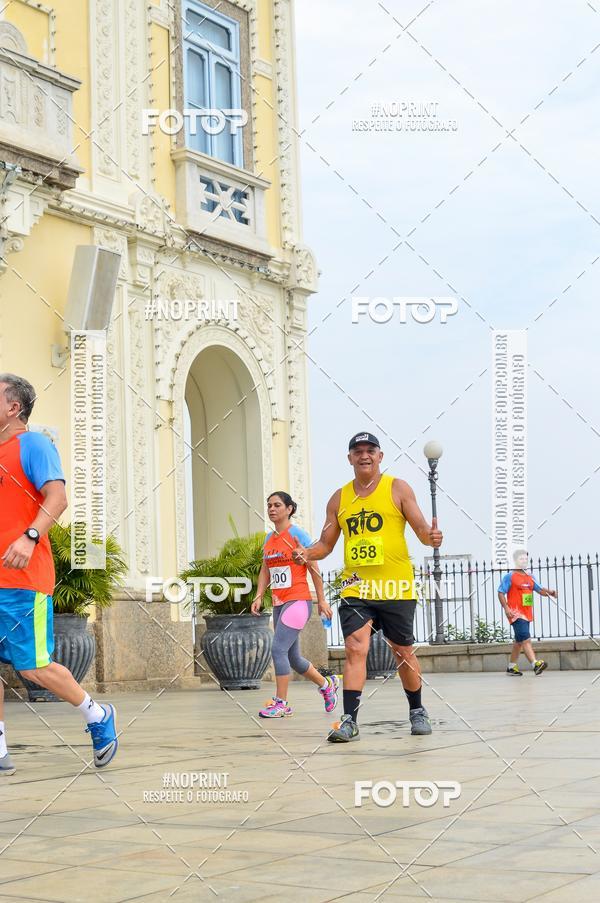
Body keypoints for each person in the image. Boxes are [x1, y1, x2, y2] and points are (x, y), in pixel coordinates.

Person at [0, 374, 119, 774]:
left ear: (13, 407)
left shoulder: (34, 445)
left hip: (23, 578)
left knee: (33, 666)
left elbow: (57, 497)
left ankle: (97, 714)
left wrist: (30, 537)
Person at [292, 432, 443, 743]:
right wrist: (307, 553)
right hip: (356, 587)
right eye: (358, 451)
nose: (364, 455)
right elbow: (326, 544)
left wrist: (431, 537)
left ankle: (417, 710)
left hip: (395, 586)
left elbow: (421, 530)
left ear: (380, 456)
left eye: (370, 450)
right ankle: (349, 720)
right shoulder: (339, 498)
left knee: (402, 651)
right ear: (350, 458)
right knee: (354, 647)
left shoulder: (398, 488)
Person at [251, 491, 338, 718]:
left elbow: (313, 567)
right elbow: (266, 570)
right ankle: (326, 685)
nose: (271, 509)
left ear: (289, 509)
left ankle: (281, 704)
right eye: (269, 505)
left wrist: (322, 600)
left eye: (277, 505)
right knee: (294, 659)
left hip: (298, 601)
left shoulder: (297, 534)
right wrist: (259, 595)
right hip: (279, 603)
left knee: (277, 649)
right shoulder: (269, 539)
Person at [498, 549, 557, 676]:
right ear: (515, 561)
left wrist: (551, 592)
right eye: (521, 558)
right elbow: (501, 592)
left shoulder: (530, 576)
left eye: (525, 558)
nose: (524, 561)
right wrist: (506, 608)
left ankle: (511, 667)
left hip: (527, 613)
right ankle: (535, 664)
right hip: (515, 613)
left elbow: (539, 590)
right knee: (526, 638)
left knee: (519, 641)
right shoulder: (510, 576)